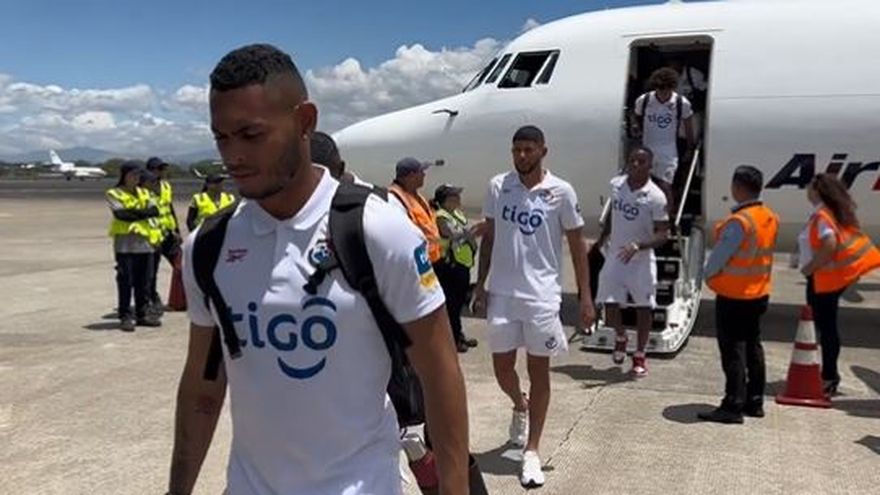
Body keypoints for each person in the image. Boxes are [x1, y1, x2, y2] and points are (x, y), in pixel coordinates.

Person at [167, 43, 469, 495]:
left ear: (305, 121)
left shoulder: (377, 231)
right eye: (222, 138)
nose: (234, 156)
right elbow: (203, 388)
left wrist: (455, 487)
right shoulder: (209, 246)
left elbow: (440, 372)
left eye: (251, 135)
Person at [472, 125, 595, 488]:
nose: (522, 156)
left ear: (543, 151)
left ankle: (532, 451)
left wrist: (586, 297)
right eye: (516, 150)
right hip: (503, 294)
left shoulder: (561, 192)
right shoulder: (499, 186)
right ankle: (519, 404)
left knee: (539, 372)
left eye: (528, 149)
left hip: (542, 297)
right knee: (502, 368)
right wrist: (480, 285)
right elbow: (490, 238)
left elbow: (578, 246)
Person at [699, 165, 779, 424]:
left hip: (734, 296)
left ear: (738, 187)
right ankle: (755, 401)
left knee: (733, 351)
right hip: (758, 293)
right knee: (753, 347)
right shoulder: (769, 217)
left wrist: (707, 276)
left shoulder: (739, 222)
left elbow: (718, 259)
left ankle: (732, 404)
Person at [798, 173, 880, 396]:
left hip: (823, 280)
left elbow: (829, 243)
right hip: (827, 279)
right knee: (827, 328)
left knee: (826, 329)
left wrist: (810, 268)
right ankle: (828, 374)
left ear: (817, 191)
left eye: (810, 187)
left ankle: (829, 376)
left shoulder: (822, 216)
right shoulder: (830, 213)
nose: (807, 191)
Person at [595, 147, 669, 377]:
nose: (635, 165)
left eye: (641, 161)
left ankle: (640, 354)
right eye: (632, 160)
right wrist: (603, 236)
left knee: (644, 307)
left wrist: (639, 245)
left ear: (650, 165)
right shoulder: (616, 185)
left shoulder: (656, 196)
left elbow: (663, 234)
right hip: (616, 255)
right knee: (609, 302)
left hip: (641, 261)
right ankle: (620, 336)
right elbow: (612, 213)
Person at [105, 162, 162, 331]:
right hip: (125, 245)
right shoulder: (114, 193)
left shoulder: (145, 192)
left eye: (139, 175)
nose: (137, 178)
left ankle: (142, 314)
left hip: (145, 243)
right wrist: (143, 213)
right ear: (124, 175)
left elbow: (155, 211)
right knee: (126, 280)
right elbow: (121, 215)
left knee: (144, 281)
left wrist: (133, 213)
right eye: (133, 174)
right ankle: (125, 315)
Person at [631, 67, 696, 210]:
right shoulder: (644, 100)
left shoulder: (681, 103)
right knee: (645, 185)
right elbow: (636, 117)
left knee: (665, 186)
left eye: (666, 89)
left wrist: (690, 148)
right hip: (647, 149)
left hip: (668, 151)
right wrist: (636, 129)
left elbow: (688, 126)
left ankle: (668, 217)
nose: (663, 93)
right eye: (660, 89)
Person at [432, 183, 481, 353]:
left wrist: (470, 235)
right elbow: (452, 235)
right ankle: (453, 339)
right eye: (454, 196)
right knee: (452, 305)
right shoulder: (441, 216)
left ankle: (458, 334)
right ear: (445, 200)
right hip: (450, 265)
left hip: (462, 264)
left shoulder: (457, 214)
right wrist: (472, 233)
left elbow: (465, 232)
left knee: (458, 303)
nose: (458, 198)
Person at [142, 159, 183, 315]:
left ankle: (181, 298)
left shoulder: (166, 186)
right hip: (153, 234)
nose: (162, 172)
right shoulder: (143, 188)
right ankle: (152, 298)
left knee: (181, 265)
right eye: (158, 169)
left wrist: (177, 230)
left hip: (168, 233)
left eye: (163, 169)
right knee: (151, 271)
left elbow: (169, 208)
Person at [388, 157, 443, 264]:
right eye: (421, 172)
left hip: (429, 258)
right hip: (415, 261)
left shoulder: (417, 196)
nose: (424, 175)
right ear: (411, 175)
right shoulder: (394, 199)